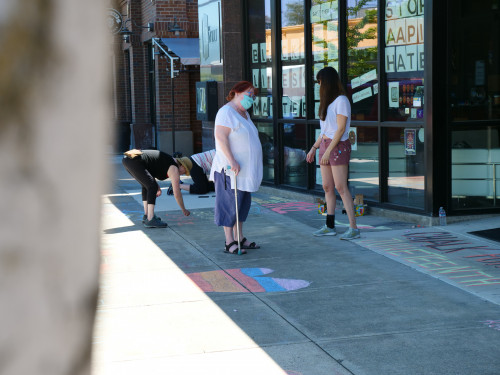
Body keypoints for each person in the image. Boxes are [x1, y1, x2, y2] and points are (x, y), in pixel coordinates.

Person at [306, 67, 360, 240]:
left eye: (320, 82)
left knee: (340, 187)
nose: (318, 85)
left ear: (326, 82)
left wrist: (328, 151)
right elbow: (325, 132)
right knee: (327, 187)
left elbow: (341, 129)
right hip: (326, 145)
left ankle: (353, 228)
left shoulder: (341, 100)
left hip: (338, 146)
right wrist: (314, 148)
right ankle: (330, 225)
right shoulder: (327, 102)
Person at [209, 81, 263, 254]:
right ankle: (229, 241)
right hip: (230, 169)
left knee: (241, 206)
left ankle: (240, 237)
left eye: (253, 95)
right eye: (249, 94)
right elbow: (221, 137)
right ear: (237, 92)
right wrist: (232, 160)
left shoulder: (244, 113)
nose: (252, 98)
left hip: (245, 172)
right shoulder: (226, 112)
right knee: (229, 205)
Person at [122, 149, 190, 228]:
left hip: (128, 158)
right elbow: (177, 193)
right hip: (134, 160)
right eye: (185, 171)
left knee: (147, 186)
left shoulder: (168, 160)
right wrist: (183, 209)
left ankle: (147, 215)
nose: (183, 173)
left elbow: (150, 170)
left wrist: (157, 186)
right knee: (151, 187)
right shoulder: (174, 168)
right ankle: (151, 219)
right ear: (182, 165)